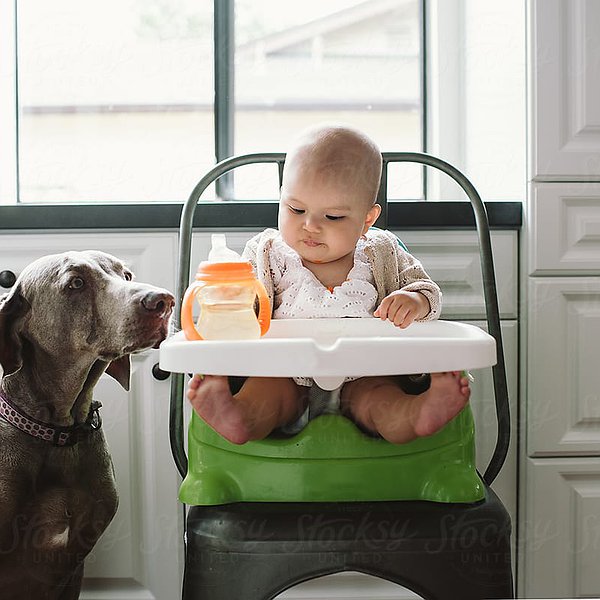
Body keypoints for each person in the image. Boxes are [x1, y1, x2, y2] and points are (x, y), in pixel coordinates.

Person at [187, 124, 471, 445]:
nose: (310, 226)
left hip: (367, 371)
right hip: (284, 370)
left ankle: (419, 414)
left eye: (333, 217)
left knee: (379, 403)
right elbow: (243, 305)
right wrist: (231, 300)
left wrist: (414, 301)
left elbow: (426, 290)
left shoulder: (383, 251)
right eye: (295, 209)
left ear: (367, 219)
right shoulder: (266, 252)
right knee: (266, 395)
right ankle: (238, 417)